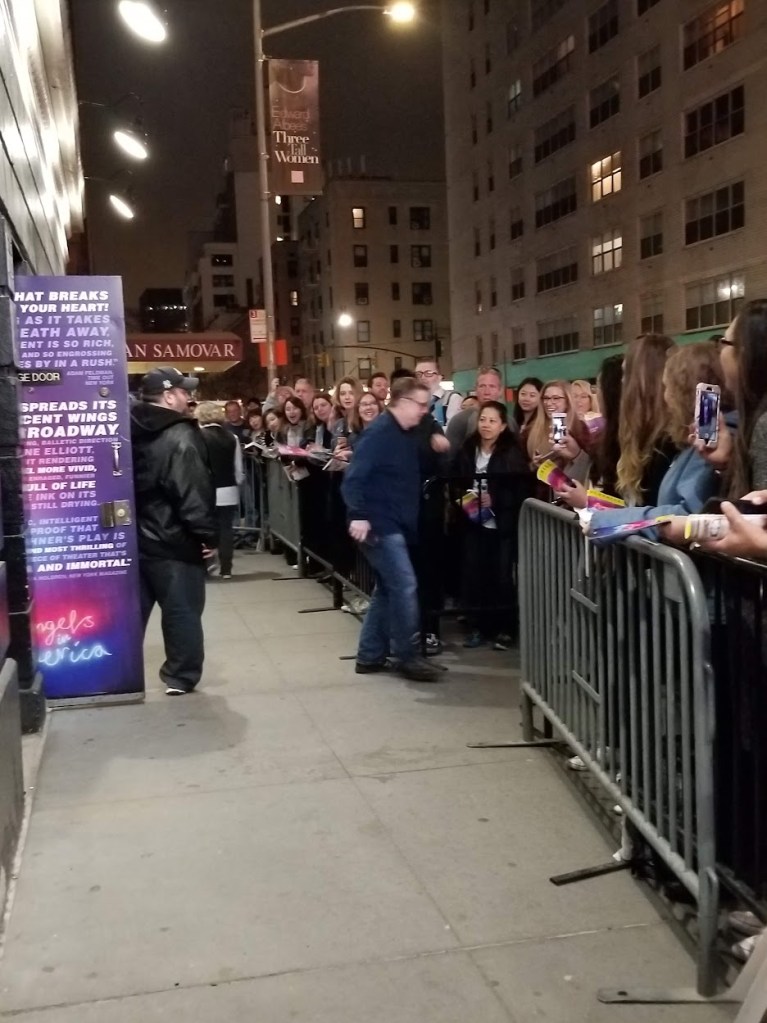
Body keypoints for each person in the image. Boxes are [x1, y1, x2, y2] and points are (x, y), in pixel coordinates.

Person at [341, 377, 443, 682]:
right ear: (405, 402)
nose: (425, 411)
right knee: (404, 585)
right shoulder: (380, 433)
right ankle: (407, 656)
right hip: (379, 522)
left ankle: (370, 655)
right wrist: (358, 514)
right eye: (422, 405)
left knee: (388, 588)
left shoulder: (403, 432)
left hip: (392, 521)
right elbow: (355, 478)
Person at [575, 343, 724, 540]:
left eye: (667, 386)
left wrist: (611, 520)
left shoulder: (695, 445)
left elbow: (687, 514)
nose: (665, 396)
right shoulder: (687, 442)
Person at [130, 367, 218, 695]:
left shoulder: (130, 428)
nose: (188, 396)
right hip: (176, 540)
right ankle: (180, 675)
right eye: (183, 391)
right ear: (168, 396)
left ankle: (117, 669)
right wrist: (207, 537)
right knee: (183, 611)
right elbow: (192, 492)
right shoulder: (181, 435)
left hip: (139, 536)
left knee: (133, 611)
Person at [454, 401, 534, 649]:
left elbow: (520, 488)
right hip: (472, 521)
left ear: (502, 426)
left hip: (501, 524)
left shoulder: (511, 451)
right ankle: (477, 627)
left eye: (492, 421)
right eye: (482, 420)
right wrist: (464, 497)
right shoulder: (468, 449)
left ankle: (505, 629)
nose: (486, 425)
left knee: (501, 576)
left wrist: (495, 498)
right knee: (474, 574)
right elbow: (456, 479)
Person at [616, 333, 677, 505]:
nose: (621, 381)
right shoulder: (640, 435)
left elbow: (655, 520)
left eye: (625, 373)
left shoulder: (669, 444)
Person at [197, 401, 244, 579]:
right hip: (228, 489)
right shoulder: (232, 437)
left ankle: (206, 565)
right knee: (226, 529)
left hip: (205, 490)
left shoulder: (197, 436)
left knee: (203, 529)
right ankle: (226, 568)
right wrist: (237, 483)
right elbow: (238, 469)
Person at [526, 380, 591, 483]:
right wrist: (535, 465)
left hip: (573, 490)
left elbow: (590, 466)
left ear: (567, 401)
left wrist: (575, 454)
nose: (549, 403)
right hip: (543, 494)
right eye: (546, 398)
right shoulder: (532, 429)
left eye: (556, 398)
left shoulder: (579, 428)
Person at [446, 366, 509, 449]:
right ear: (475, 389)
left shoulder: (509, 422)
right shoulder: (460, 421)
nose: (487, 392)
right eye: (482, 386)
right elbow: (448, 458)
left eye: (492, 386)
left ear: (500, 390)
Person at [415, 359, 463, 426]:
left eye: (428, 373)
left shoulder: (452, 399)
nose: (422, 377)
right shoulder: (412, 401)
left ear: (439, 377)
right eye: (418, 374)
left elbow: (452, 431)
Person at [332, 376, 363, 451]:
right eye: (342, 394)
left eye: (351, 393)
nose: (347, 397)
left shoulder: (364, 421)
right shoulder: (338, 424)